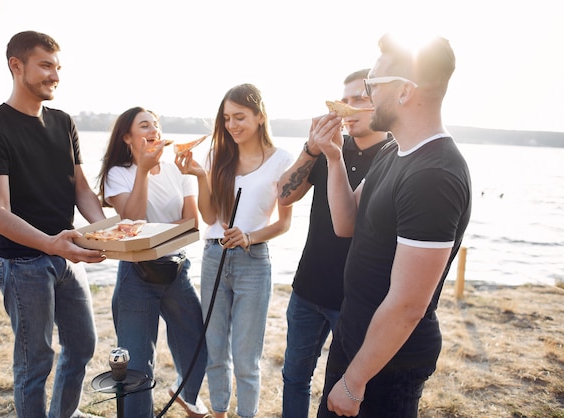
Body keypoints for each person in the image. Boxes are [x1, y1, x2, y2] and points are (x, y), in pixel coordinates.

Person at [314, 33, 472, 417]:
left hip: (386, 366)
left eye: (371, 86)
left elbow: (407, 305)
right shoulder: (394, 151)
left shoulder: (434, 176)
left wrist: (354, 382)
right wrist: (334, 158)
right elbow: (346, 223)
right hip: (357, 343)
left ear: (404, 92)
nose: (366, 97)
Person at [0, 31, 106, 418]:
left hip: (66, 257)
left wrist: (111, 232)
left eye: (58, 67)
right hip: (21, 264)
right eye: (46, 65)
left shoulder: (64, 123)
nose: (55, 75)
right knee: (35, 363)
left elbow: (82, 192)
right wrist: (51, 244)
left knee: (82, 346)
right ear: (17, 66)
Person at [277, 69, 392, 418]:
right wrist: (311, 147)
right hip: (307, 290)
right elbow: (284, 196)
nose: (348, 107)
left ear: (381, 104)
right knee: (294, 377)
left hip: (356, 302)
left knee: (343, 390)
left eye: (360, 99)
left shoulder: (393, 157)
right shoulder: (329, 148)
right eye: (345, 100)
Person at [176, 83, 293, 418]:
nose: (232, 125)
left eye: (239, 117)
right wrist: (200, 176)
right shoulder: (217, 155)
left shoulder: (282, 160)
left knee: (245, 357)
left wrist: (249, 237)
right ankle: (219, 412)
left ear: (259, 116)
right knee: (215, 349)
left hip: (253, 262)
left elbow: (284, 223)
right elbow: (211, 217)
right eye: (226, 118)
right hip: (214, 256)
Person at [97, 107, 209, 418]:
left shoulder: (177, 167)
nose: (154, 129)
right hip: (136, 275)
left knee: (196, 344)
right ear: (127, 137)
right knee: (136, 364)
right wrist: (143, 171)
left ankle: (187, 394)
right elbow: (133, 224)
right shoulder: (117, 174)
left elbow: (192, 223)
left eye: (156, 124)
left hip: (177, 269)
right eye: (144, 125)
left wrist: (151, 230)